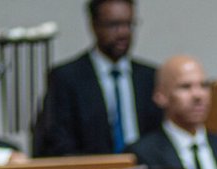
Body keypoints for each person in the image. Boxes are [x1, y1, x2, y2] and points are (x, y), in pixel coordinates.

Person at [32, 0, 160, 156]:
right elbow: (57, 141)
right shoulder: (66, 78)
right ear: (94, 25)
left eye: (129, 24)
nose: (123, 33)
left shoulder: (150, 77)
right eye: (114, 25)